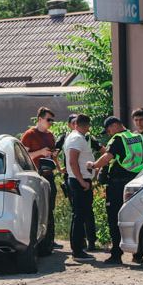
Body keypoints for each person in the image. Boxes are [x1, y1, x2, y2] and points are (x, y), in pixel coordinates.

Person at [88, 116, 143, 265]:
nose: (108, 134)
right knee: (136, 218)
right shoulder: (138, 137)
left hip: (117, 186)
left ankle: (116, 254)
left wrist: (94, 165)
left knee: (115, 219)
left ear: (114, 126)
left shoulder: (118, 138)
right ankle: (138, 254)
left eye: (108, 130)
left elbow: (107, 157)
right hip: (136, 183)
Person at [21, 107, 59, 246]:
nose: (50, 122)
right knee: (40, 207)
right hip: (36, 176)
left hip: (49, 175)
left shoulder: (50, 135)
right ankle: (40, 239)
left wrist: (55, 157)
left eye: (52, 120)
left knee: (50, 207)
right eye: (48, 119)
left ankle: (50, 239)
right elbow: (24, 158)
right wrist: (40, 152)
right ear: (40, 119)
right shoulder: (29, 135)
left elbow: (53, 154)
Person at [64, 114, 97, 260]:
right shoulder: (76, 138)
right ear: (86, 125)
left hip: (81, 180)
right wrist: (82, 181)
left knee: (79, 215)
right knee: (79, 216)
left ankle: (78, 248)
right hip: (79, 181)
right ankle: (77, 250)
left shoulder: (75, 137)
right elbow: (72, 161)